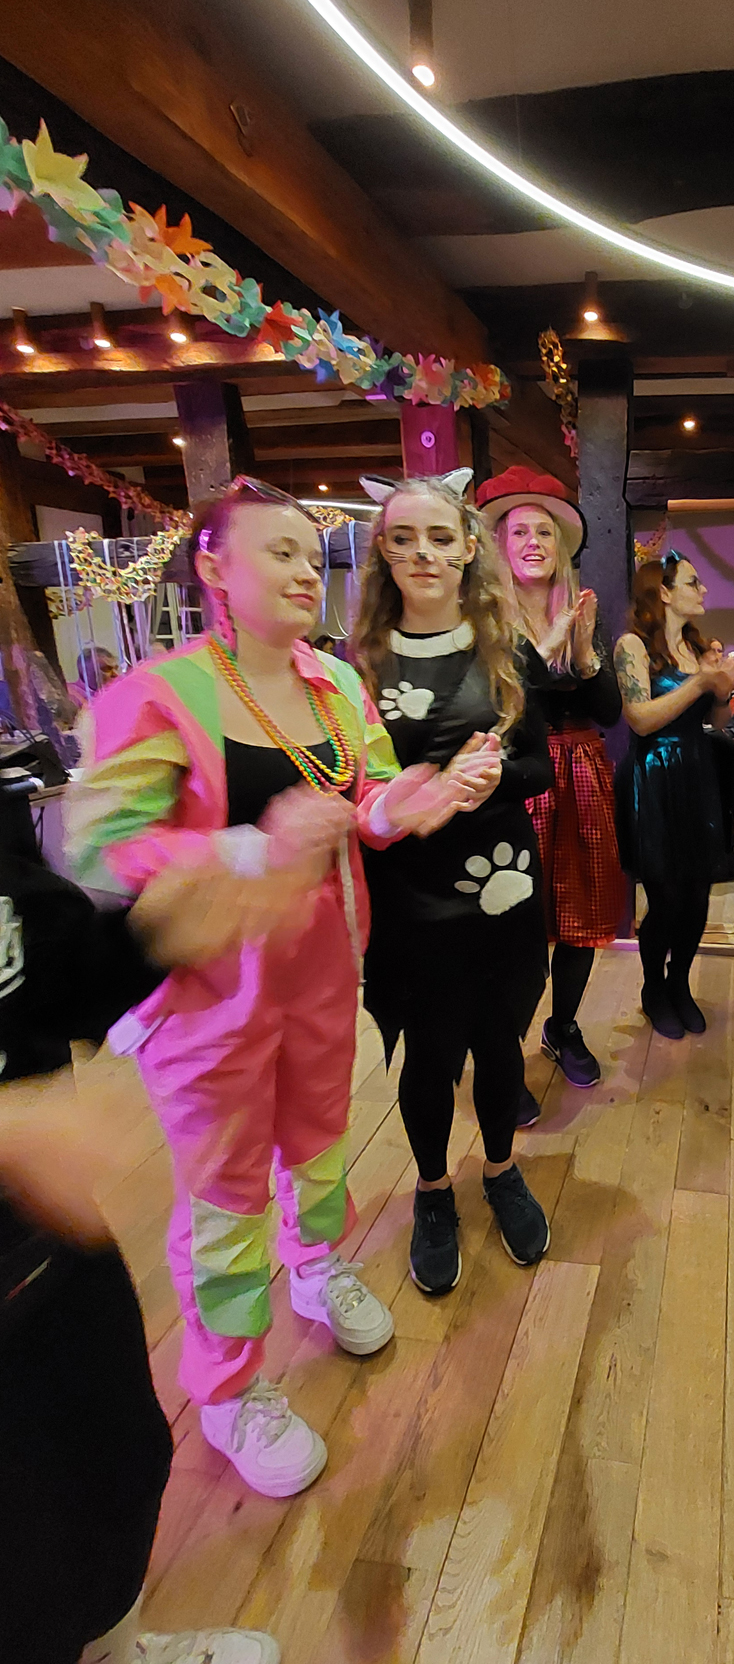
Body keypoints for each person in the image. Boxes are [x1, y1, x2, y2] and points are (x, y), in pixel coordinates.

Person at [65, 476, 468, 1499]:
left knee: (322, 1141)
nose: (303, 573)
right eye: (278, 552)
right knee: (225, 1196)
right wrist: (250, 846)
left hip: (324, 964)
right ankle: (228, 1386)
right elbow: (98, 850)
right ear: (213, 565)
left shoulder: (334, 682)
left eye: (310, 555)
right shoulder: (157, 693)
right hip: (207, 994)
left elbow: (361, 797)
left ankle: (319, 1267)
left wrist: (407, 802)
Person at [0, 775, 307, 1663]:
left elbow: (39, 970)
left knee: (115, 1459)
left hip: (48, 1249)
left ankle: (115, 1647)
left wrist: (147, 937)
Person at [354, 472, 553, 1298]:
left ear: (470, 547)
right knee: (429, 1053)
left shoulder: (506, 648)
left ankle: (501, 1170)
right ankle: (433, 1192)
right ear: (382, 551)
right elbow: (349, 784)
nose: (423, 553)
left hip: (502, 889)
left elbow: (540, 765)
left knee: (500, 1042)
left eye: (440, 537)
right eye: (404, 538)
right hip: (409, 893)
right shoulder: (356, 665)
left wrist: (496, 779)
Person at [478, 465, 624, 1094]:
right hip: (520, 776)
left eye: (544, 531)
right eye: (519, 532)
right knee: (516, 921)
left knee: (581, 913)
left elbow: (611, 713)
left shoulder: (582, 610)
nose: (533, 542)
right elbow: (501, 712)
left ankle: (562, 1027)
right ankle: (501, 1053)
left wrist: (584, 653)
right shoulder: (485, 620)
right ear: (500, 545)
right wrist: (548, 647)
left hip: (583, 769)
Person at [615, 553, 734, 1039]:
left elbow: (719, 722)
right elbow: (640, 719)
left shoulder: (697, 648)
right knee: (666, 897)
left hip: (696, 771)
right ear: (664, 592)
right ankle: (654, 989)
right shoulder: (632, 645)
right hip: (653, 775)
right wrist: (701, 682)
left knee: (698, 895)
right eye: (693, 582)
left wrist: (723, 690)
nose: (703, 590)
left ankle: (680, 984)